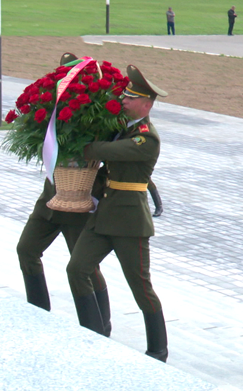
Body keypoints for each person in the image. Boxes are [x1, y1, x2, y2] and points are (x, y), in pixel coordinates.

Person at [66, 65, 169, 362]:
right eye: (124, 96)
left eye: (130, 98)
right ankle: (93, 332)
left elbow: (106, 152)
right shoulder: (122, 128)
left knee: (140, 287)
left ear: (146, 104)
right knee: (77, 268)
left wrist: (81, 146)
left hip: (130, 222)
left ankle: (158, 350)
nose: (123, 101)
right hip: (104, 216)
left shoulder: (146, 138)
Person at [16, 52, 112, 337]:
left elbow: (112, 158)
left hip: (80, 204)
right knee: (26, 250)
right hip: (50, 200)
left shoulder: (100, 114)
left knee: (84, 267)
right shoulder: (53, 110)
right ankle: (38, 312)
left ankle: (100, 325)